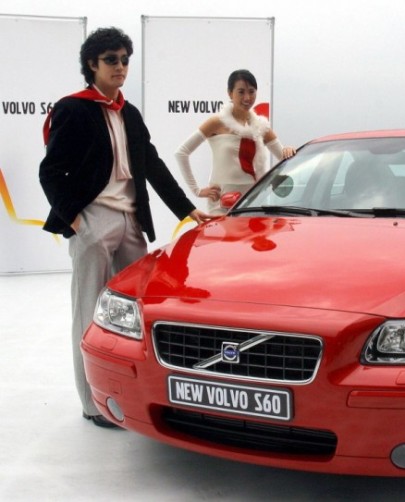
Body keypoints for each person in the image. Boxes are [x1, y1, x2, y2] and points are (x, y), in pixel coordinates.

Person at [39, 27, 212, 427]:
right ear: (92, 64)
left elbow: (152, 165)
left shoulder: (129, 112)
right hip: (93, 220)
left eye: (124, 60)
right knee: (89, 312)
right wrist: (77, 220)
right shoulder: (73, 109)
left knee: (136, 315)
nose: (120, 67)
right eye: (111, 60)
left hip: (131, 220)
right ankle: (91, 404)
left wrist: (188, 210)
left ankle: (132, 398)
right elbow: (50, 172)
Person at [175, 69, 296, 215]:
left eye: (251, 91)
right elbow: (181, 153)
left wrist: (288, 150)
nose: (247, 97)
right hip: (221, 201)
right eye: (241, 92)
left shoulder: (261, 126)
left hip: (252, 200)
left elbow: (283, 157)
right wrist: (197, 190)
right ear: (230, 93)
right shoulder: (217, 122)